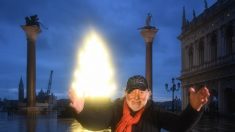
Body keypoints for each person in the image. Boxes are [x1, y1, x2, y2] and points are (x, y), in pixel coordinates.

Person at [69, 75, 210, 132]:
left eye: (141, 92)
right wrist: (82, 111)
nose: (137, 96)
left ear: (149, 93)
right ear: (125, 93)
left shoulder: (155, 112)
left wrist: (194, 108)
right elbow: (97, 122)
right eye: (132, 91)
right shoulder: (115, 109)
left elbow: (180, 126)